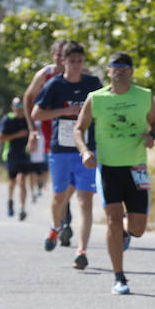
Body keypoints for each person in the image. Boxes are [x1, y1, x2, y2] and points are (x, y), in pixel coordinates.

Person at [74, 52, 155, 294]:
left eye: (125, 67)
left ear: (131, 71)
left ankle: (126, 232)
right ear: (109, 71)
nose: (120, 70)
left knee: (138, 229)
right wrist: (84, 152)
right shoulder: (96, 98)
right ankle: (119, 277)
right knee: (112, 218)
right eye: (116, 67)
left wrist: (152, 136)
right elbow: (79, 129)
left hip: (137, 168)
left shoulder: (144, 96)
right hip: (107, 167)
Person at [32, 40, 102, 269]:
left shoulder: (93, 83)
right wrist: (65, 111)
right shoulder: (54, 85)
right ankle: (55, 227)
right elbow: (36, 113)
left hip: (86, 150)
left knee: (85, 201)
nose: (76, 65)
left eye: (80, 61)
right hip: (60, 150)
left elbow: (103, 111)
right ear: (63, 61)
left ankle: (81, 250)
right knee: (59, 197)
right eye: (72, 61)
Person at [24, 39, 70, 242]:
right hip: (50, 132)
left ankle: (63, 218)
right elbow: (28, 98)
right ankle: (63, 220)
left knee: (70, 180)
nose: (63, 59)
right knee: (60, 180)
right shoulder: (45, 75)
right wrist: (32, 130)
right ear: (53, 56)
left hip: (74, 132)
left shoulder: (80, 73)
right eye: (59, 55)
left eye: (66, 55)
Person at [0, 98, 31, 220]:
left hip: (25, 155)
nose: (19, 106)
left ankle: (22, 208)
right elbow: (0, 138)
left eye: (21, 104)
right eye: (16, 104)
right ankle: (10, 201)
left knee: (22, 180)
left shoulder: (28, 119)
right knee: (12, 182)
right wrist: (17, 135)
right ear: (12, 106)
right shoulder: (8, 119)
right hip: (11, 154)